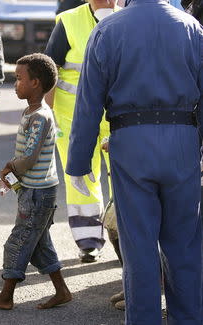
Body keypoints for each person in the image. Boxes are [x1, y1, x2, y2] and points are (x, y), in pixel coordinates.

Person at [65, 0, 203, 323]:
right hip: (182, 143)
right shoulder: (192, 28)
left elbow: (88, 104)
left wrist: (78, 161)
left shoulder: (107, 30)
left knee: (138, 249)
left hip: (130, 144)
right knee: (185, 247)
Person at [0, 53, 71, 310]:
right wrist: (14, 178)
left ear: (36, 83)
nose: (15, 83)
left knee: (17, 242)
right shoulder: (31, 111)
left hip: (39, 194)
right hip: (33, 189)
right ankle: (62, 291)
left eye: (19, 79)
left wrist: (10, 168)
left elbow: (29, 157)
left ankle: (6, 297)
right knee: (39, 242)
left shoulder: (40, 116)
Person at [44, 0, 119, 263]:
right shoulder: (68, 21)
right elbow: (50, 69)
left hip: (114, 116)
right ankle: (88, 240)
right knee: (80, 176)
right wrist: (52, 112)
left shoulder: (127, 18)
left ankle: (125, 237)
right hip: (72, 116)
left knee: (123, 176)